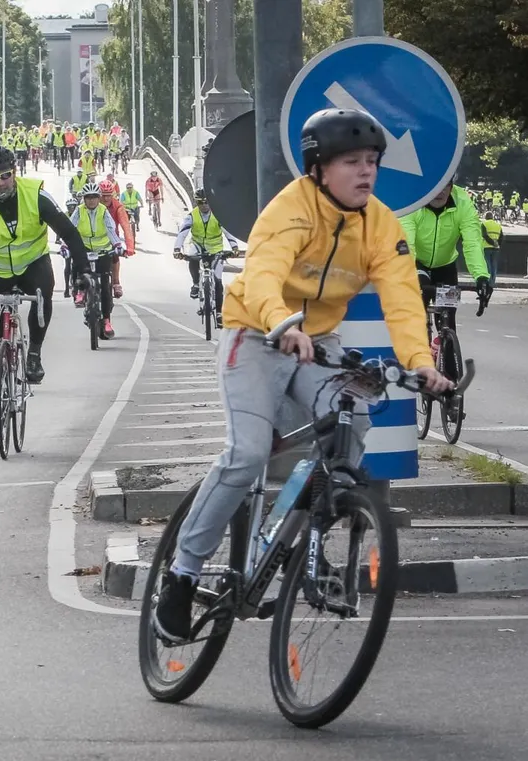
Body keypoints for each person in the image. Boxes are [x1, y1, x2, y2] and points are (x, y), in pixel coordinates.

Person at [152, 108, 452, 643]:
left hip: (320, 343)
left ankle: (310, 536)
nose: (366, 172)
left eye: (373, 162)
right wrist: (280, 323)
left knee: (353, 420)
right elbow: (263, 274)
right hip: (256, 334)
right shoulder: (290, 208)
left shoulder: (380, 223)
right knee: (245, 455)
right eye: (352, 162)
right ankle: (182, 573)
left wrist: (421, 363)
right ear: (319, 168)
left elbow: (403, 299)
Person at [0, 145, 90, 440]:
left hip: (33, 264)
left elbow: (69, 233)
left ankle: (34, 353)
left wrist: (83, 271)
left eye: (6, 175)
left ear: (15, 173)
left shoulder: (37, 195)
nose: (1, 182)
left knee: (43, 296)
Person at [398, 179, 491, 332]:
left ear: (452, 186)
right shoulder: (413, 202)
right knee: (416, 318)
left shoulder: (463, 202)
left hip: (446, 266)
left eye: (445, 186)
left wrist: (481, 277)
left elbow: (472, 243)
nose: (440, 192)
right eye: (435, 186)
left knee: (447, 321)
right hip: (418, 265)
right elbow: (407, 244)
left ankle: (446, 349)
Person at [173, 189, 243, 327]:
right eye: (200, 203)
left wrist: (234, 247)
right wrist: (177, 249)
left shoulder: (218, 214)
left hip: (216, 249)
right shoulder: (192, 216)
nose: (204, 206)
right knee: (192, 257)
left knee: (217, 281)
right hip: (198, 245)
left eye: (206, 203)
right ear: (197, 203)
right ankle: (196, 284)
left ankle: (219, 313)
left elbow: (228, 232)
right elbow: (182, 233)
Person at [66, 183, 125, 340]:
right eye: (88, 198)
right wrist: (66, 245)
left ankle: (106, 320)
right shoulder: (79, 211)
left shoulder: (103, 211)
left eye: (94, 197)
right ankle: (79, 291)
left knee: (105, 286)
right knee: (78, 266)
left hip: (103, 250)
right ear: (84, 199)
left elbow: (110, 229)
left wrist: (118, 244)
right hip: (84, 249)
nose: (91, 201)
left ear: (99, 198)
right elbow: (69, 229)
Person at [482, 214, 502, 289]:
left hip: (486, 247)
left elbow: (484, 235)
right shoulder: (498, 225)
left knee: (487, 265)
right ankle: (492, 283)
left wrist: (492, 243)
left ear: (485, 217)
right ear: (492, 217)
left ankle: (488, 282)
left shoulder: (484, 224)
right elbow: (501, 237)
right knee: (494, 265)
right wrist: (497, 244)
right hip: (496, 248)